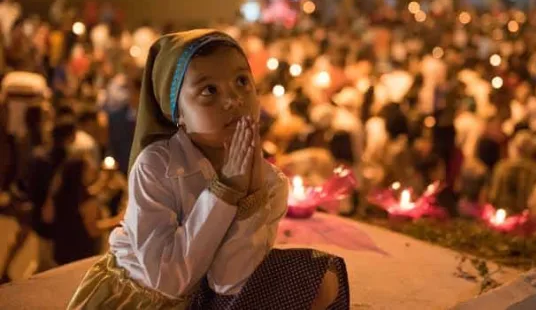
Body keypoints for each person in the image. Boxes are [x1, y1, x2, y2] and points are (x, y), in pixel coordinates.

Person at [68, 30, 349, 309]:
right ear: (177, 113)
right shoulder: (156, 166)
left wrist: (250, 197)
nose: (234, 100)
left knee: (321, 279)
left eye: (242, 81)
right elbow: (166, 279)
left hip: (211, 294)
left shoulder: (269, 181)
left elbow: (230, 282)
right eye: (209, 90)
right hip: (148, 297)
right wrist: (224, 192)